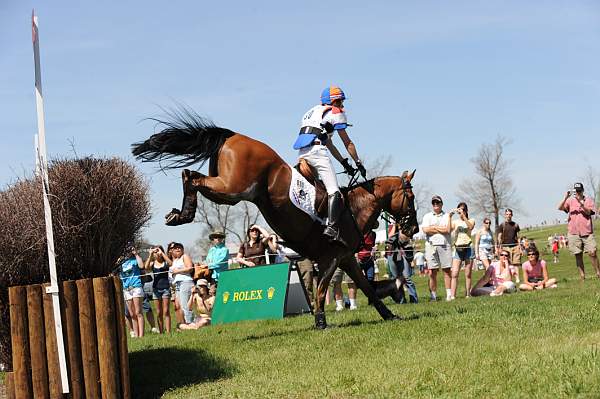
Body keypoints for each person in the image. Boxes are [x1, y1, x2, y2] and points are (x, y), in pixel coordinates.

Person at [293, 85, 366, 243]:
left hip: (303, 153)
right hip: (318, 152)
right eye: (341, 102)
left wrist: (344, 163)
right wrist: (358, 162)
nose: (342, 106)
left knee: (316, 190)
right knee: (334, 192)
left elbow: (329, 144)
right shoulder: (336, 112)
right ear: (334, 101)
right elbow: (347, 142)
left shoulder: (311, 112)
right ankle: (332, 227)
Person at [557, 183, 600, 280]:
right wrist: (565, 197)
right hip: (573, 232)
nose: (577, 193)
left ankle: (598, 273)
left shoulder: (588, 201)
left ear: (582, 191)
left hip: (587, 232)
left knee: (592, 252)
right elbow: (559, 208)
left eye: (579, 191)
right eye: (576, 191)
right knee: (578, 254)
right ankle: (582, 276)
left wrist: (581, 204)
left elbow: (589, 212)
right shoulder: (570, 201)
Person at [421, 195, 453, 301]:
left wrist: (433, 227)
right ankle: (433, 296)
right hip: (431, 246)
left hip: (445, 245)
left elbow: (447, 230)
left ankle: (449, 294)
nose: (436, 205)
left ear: (441, 204)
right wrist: (440, 228)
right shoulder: (427, 216)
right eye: (434, 203)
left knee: (447, 270)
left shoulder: (447, 215)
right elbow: (425, 230)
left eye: (437, 203)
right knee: (432, 272)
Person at [387, 222, 418, 303]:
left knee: (407, 277)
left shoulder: (407, 225)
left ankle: (414, 299)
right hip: (393, 253)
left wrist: (401, 228)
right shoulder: (391, 225)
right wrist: (394, 225)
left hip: (404, 252)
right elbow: (390, 237)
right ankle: (401, 300)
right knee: (395, 278)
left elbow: (405, 238)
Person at [450, 202, 476, 299]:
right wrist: (450, 216)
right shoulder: (455, 222)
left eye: (463, 209)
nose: (461, 211)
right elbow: (449, 229)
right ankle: (452, 296)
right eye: (460, 210)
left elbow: (470, 227)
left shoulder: (471, 220)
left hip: (468, 247)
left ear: (466, 210)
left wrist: (464, 216)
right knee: (455, 273)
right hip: (457, 248)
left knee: (468, 273)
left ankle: (467, 294)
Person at [144, 245, 172, 333]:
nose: (157, 254)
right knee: (159, 312)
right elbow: (146, 267)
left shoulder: (165, 263)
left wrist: (162, 253)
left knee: (166, 311)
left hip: (165, 288)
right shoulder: (153, 263)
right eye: (155, 252)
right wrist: (150, 255)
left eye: (158, 252)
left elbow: (171, 263)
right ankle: (161, 331)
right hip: (156, 289)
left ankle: (168, 332)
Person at [119, 246, 145, 337]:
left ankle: (141, 335)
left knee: (138, 312)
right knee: (132, 314)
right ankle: (136, 335)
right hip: (126, 289)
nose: (128, 252)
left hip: (136, 287)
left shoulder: (135, 259)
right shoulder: (121, 262)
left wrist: (136, 254)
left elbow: (142, 266)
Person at [169, 242, 195, 324]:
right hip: (178, 284)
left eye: (180, 247)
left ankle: (189, 323)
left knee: (185, 305)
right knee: (180, 305)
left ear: (183, 249)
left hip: (185, 282)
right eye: (176, 248)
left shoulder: (185, 256)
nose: (178, 249)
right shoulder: (175, 260)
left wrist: (177, 271)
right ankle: (185, 322)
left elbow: (190, 268)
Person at [497, 208, 522, 281]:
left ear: (512, 215)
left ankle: (517, 279)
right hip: (505, 247)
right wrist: (499, 246)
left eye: (510, 214)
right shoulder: (502, 225)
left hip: (515, 246)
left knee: (516, 263)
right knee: (507, 264)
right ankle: (508, 278)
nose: (508, 216)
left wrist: (520, 247)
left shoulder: (515, 225)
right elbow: (499, 236)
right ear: (505, 215)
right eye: (507, 214)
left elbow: (518, 236)